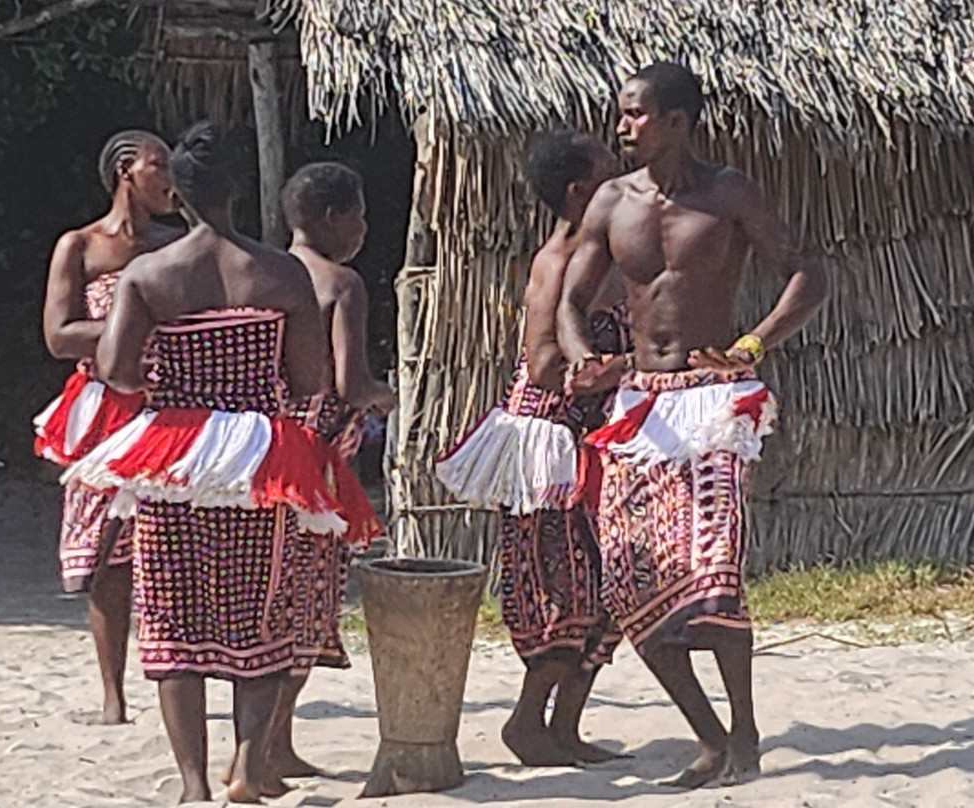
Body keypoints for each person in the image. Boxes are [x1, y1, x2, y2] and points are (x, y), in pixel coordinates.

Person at [61, 122, 382, 804]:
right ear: (239, 189)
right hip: (259, 454)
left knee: (173, 615)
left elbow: (116, 370)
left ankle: (193, 784)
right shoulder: (280, 271)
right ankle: (246, 763)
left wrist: (173, 366)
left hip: (173, 452)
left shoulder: (149, 273)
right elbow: (306, 381)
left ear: (176, 193)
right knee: (258, 613)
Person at [557, 62, 827, 788]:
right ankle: (711, 738)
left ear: (678, 121)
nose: (624, 127)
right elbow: (570, 303)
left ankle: (743, 730)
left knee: (713, 576)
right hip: (639, 406)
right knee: (627, 580)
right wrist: (587, 360)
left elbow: (806, 272)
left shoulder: (727, 192)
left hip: (714, 399)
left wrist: (754, 343)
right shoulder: (611, 201)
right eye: (622, 113)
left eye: (638, 115)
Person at [436, 131, 628, 766]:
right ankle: (527, 721)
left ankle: (565, 728)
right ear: (580, 192)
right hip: (550, 448)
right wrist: (619, 366)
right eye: (610, 171)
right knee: (565, 593)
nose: (625, 178)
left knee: (607, 592)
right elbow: (545, 363)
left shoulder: (605, 252)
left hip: (589, 437)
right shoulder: (560, 261)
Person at [254, 161, 396, 777]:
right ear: (334, 218)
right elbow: (348, 380)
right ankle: (272, 746)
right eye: (359, 215)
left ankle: (270, 745)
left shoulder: (260, 274)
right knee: (307, 602)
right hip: (319, 464)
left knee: (267, 598)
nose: (363, 229)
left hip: (262, 453)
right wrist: (386, 396)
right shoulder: (342, 283)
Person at [33, 129, 179, 724]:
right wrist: (133, 320)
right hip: (105, 414)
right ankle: (113, 697)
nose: (171, 177)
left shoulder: (179, 246)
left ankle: (176, 680)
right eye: (159, 164)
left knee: (171, 547)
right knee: (105, 555)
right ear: (125, 170)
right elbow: (59, 335)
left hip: (170, 407)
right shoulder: (80, 246)